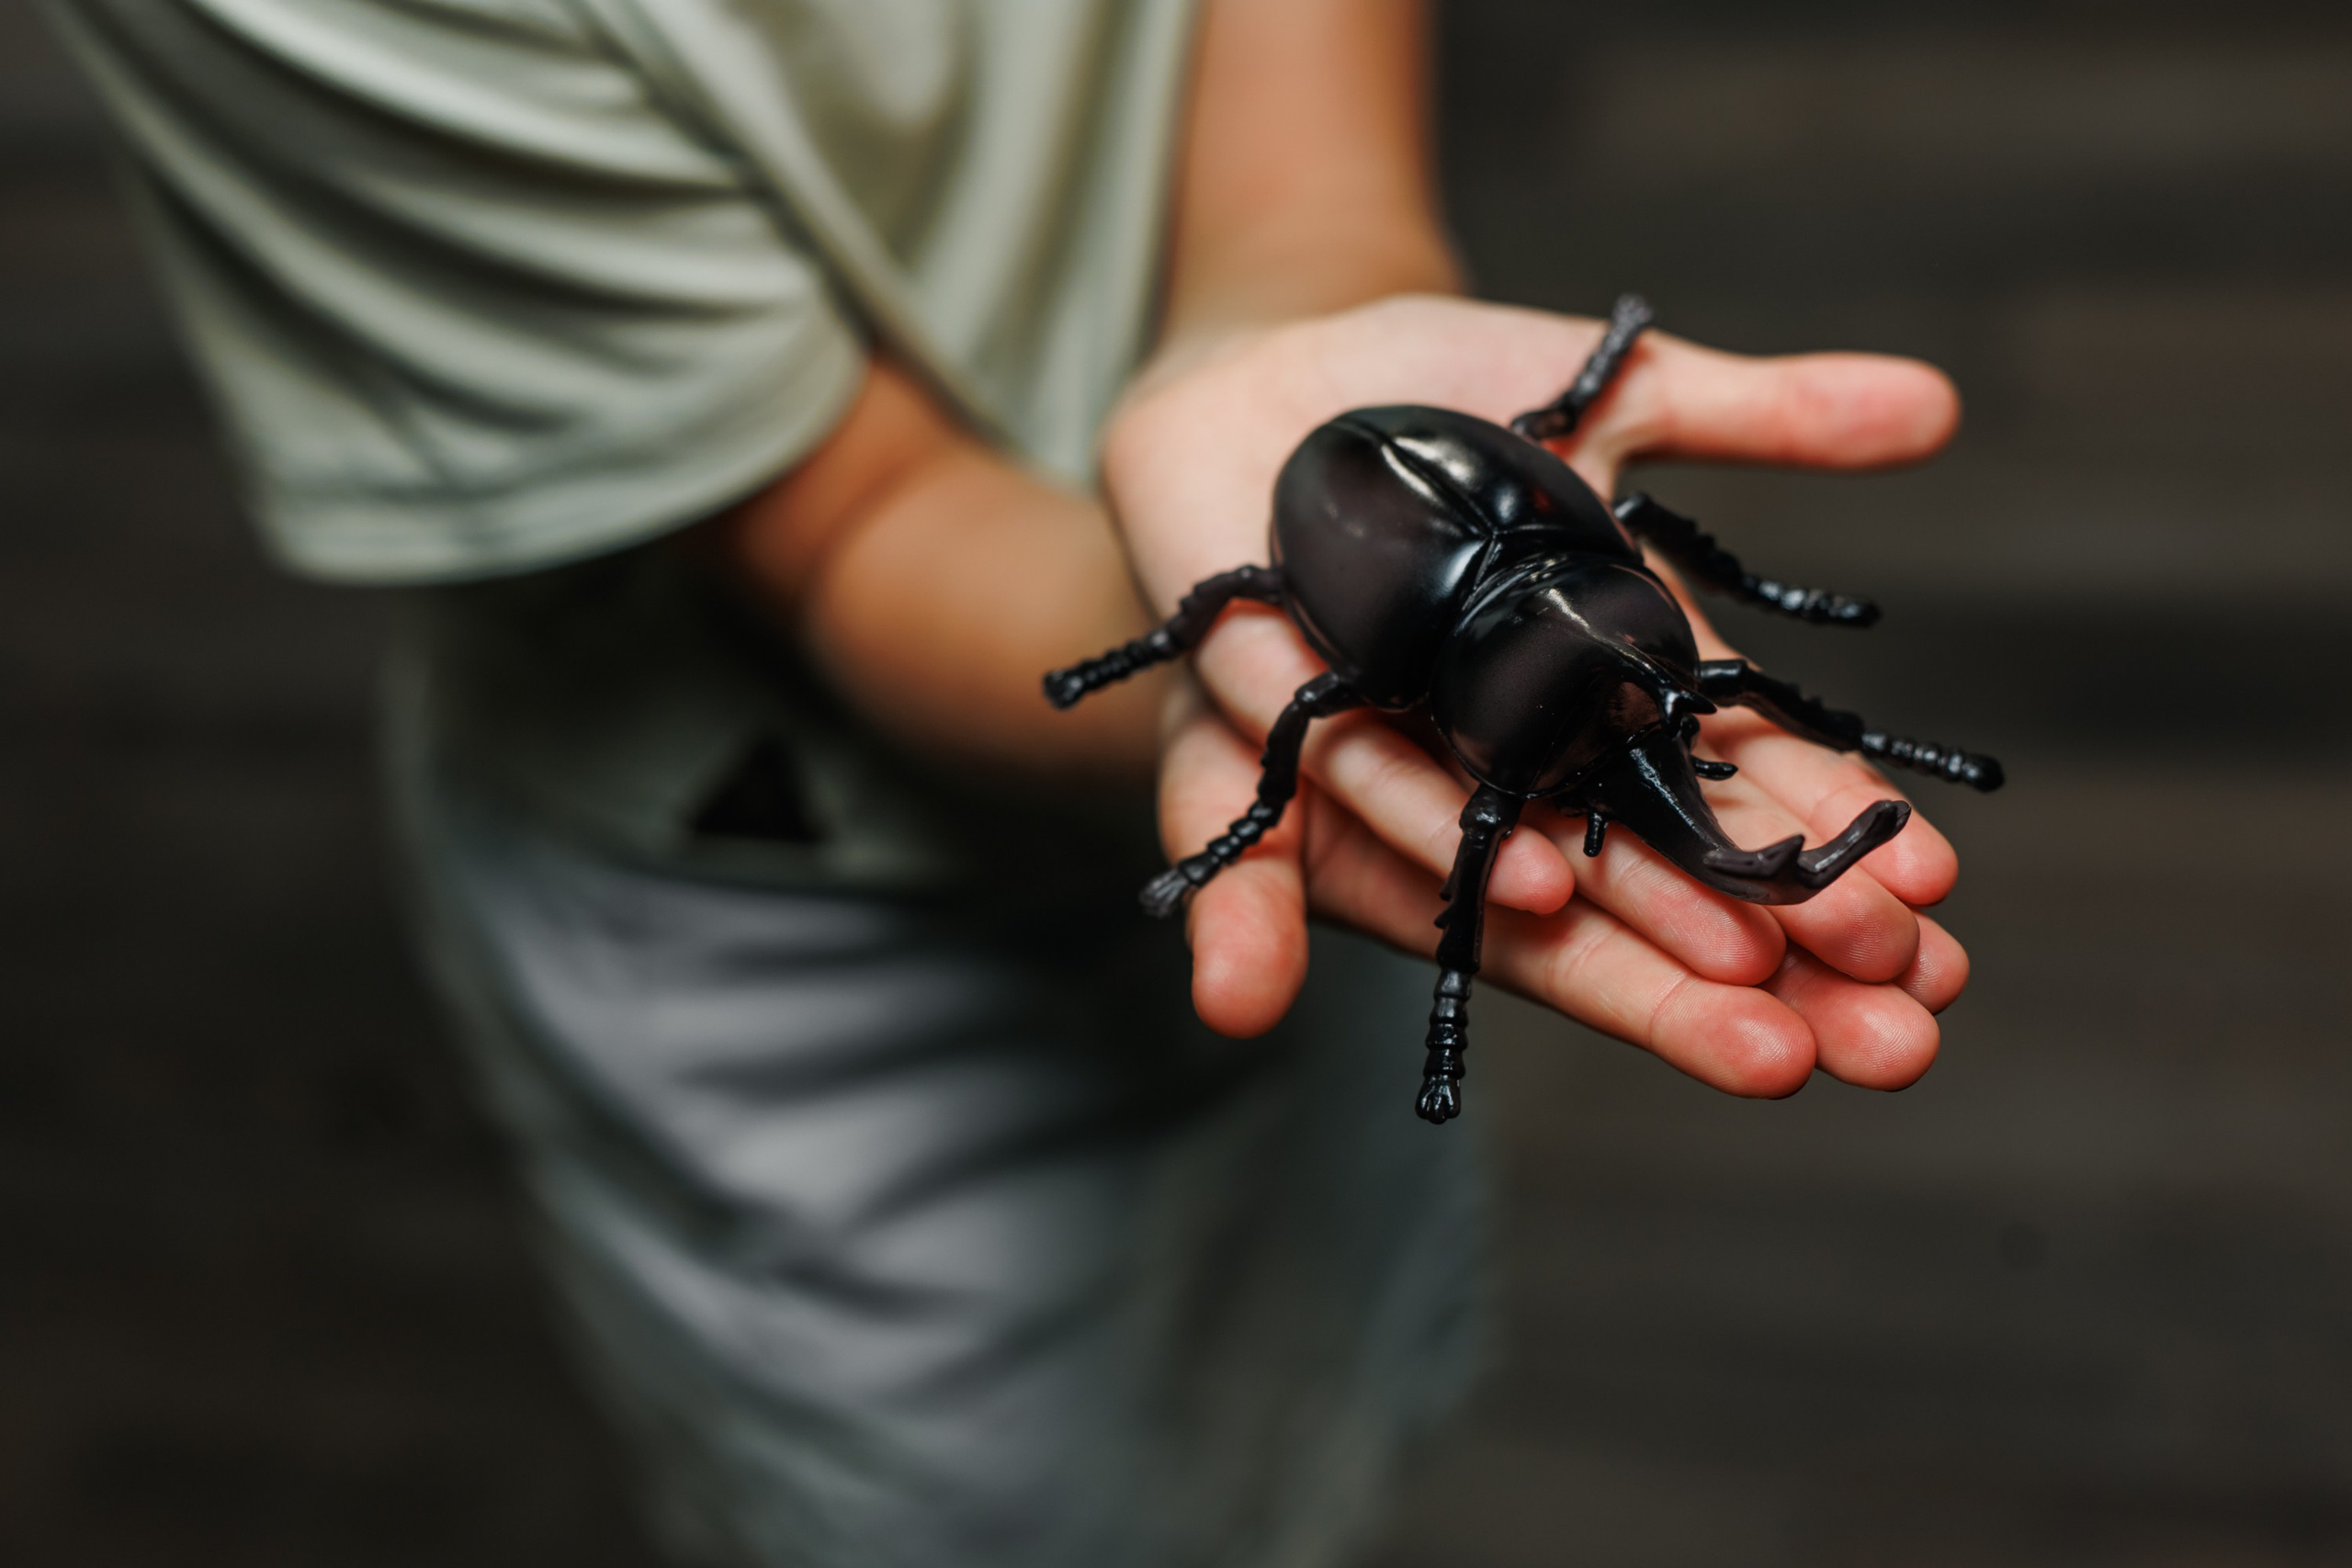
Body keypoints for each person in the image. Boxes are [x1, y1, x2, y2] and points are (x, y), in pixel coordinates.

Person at [47, 1, 1969, 1562]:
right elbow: (850, 521)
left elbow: (1500, 591)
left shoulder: (1479, 638)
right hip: (789, 899)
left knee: (1319, 1375)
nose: (1639, 750)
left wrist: (1302, 282)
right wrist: (1181, 700)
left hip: (1345, 572)